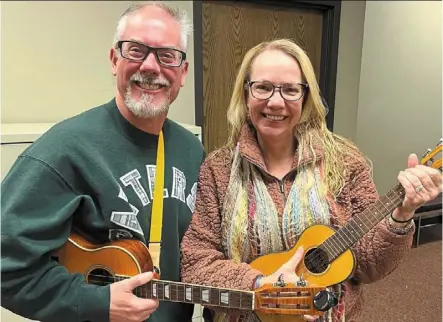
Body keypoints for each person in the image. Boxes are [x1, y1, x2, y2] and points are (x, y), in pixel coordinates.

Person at [180, 38, 442, 322]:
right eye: (263, 87)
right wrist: (259, 285)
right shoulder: (218, 170)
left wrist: (402, 214)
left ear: (305, 98)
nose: (276, 102)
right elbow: (197, 262)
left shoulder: (345, 161)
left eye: (291, 90)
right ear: (245, 94)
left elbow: (369, 264)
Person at [1, 2, 204, 322]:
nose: (151, 66)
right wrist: (95, 302)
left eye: (167, 55)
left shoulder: (192, 151)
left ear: (183, 72)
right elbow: (7, 270)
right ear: (114, 59)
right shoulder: (64, 149)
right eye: (136, 50)